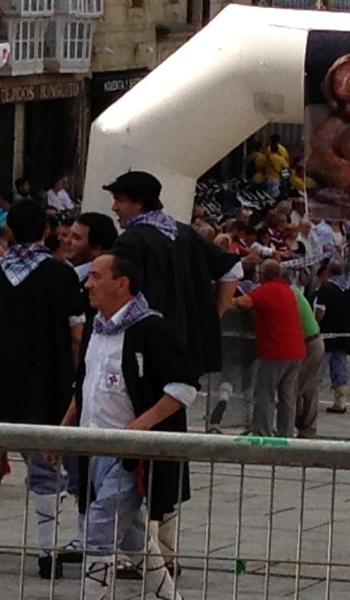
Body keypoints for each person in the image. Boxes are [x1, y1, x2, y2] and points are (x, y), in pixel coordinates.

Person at [107, 170, 240, 574]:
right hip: (183, 358)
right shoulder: (186, 234)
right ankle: (165, 548)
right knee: (170, 449)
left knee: (128, 450)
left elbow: (119, 290)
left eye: (120, 200)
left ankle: (135, 551)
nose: (114, 208)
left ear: (138, 202)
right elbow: (232, 272)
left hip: (142, 356)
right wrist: (207, 323)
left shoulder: (131, 240)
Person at [0, 200, 85, 579]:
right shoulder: (61, 276)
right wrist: (76, 379)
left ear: (7, 230)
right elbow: (77, 335)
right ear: (46, 231)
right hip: (44, 386)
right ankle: (47, 552)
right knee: (44, 469)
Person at [73, 250, 195, 600]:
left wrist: (139, 428)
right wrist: (62, 431)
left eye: (96, 276)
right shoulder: (95, 327)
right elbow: (83, 384)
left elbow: (184, 385)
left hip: (129, 455)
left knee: (99, 530)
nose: (88, 284)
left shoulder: (150, 329)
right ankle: (169, 596)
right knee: (131, 533)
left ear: (121, 283)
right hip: (91, 449)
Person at [57, 211, 118, 563]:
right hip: (84, 388)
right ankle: (87, 536)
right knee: (83, 470)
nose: (68, 242)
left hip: (102, 395)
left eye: (77, 238)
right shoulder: (71, 277)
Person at [233, 260, 305, 437]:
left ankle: (262, 433)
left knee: (265, 393)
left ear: (263, 274)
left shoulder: (268, 290)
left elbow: (243, 302)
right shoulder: (287, 290)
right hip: (296, 349)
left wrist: (227, 296)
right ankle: (286, 436)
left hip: (276, 350)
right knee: (287, 397)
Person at [289, 278, 325, 438]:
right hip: (315, 340)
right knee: (309, 387)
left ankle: (292, 424)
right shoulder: (294, 291)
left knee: (294, 386)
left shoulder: (288, 294)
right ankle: (308, 429)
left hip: (308, 343)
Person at [315, 262, 350, 414]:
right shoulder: (347, 289)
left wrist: (315, 324)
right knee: (340, 369)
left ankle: (311, 400)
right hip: (344, 336)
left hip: (326, 335)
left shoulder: (325, 288)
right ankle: (340, 402)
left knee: (317, 369)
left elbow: (320, 311)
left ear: (328, 272)